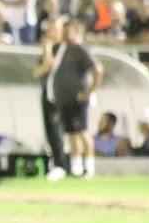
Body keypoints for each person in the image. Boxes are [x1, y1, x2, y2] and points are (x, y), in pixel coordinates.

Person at [46, 20, 103, 178]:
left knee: (83, 132)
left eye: (68, 31)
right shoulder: (62, 49)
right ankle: (76, 168)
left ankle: (89, 168)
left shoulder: (79, 49)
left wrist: (89, 92)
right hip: (65, 99)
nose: (64, 34)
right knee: (72, 134)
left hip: (78, 99)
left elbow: (98, 69)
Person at [32, 15, 68, 180]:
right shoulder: (47, 49)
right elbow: (37, 72)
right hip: (47, 93)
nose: (49, 32)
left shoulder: (62, 48)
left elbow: (49, 65)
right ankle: (56, 162)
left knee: (57, 129)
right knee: (50, 130)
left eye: (53, 29)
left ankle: (61, 165)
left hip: (59, 95)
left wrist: (47, 48)